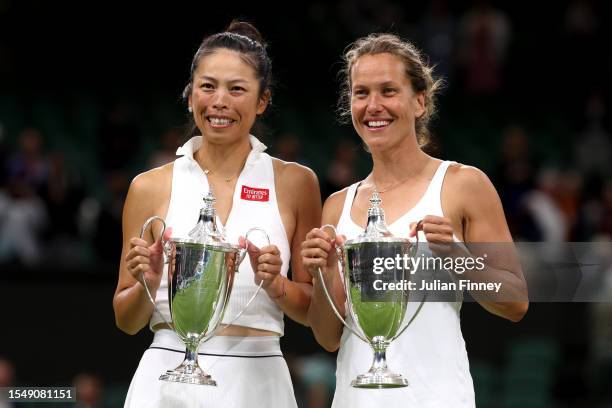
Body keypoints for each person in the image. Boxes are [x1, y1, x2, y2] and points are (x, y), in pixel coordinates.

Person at [301, 33, 529, 407]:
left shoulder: (462, 184)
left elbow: (515, 301)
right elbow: (328, 337)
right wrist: (325, 272)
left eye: (388, 91)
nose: (373, 106)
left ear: (420, 101)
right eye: (362, 93)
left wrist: (456, 254)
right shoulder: (336, 206)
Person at [113, 21, 321, 408]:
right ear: (190, 95)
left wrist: (278, 285)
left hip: (259, 383)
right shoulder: (149, 186)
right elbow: (125, 320)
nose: (219, 101)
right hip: (165, 379)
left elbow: (313, 312)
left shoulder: (297, 183)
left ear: (262, 101)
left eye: (237, 89)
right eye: (207, 86)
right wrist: (148, 282)